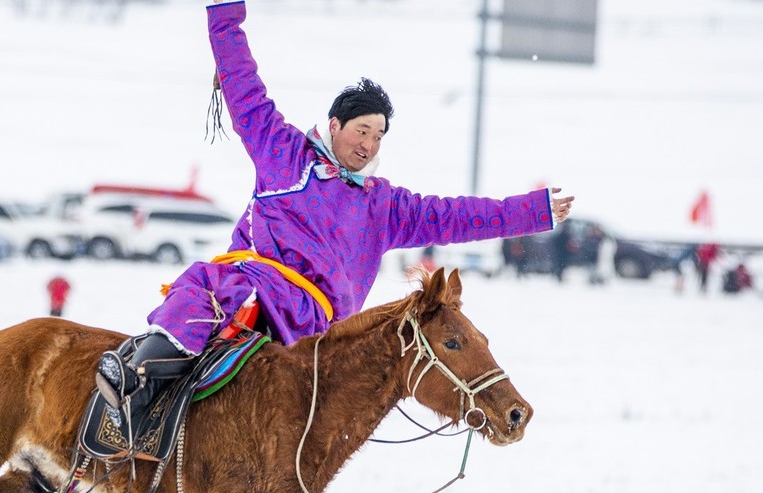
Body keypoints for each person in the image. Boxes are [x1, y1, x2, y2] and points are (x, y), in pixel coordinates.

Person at [96, 0, 573, 424]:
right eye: (362, 130)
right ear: (334, 125)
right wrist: (226, 11)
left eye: (379, 136)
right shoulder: (284, 153)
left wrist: (532, 213)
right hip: (251, 290)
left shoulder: (384, 206)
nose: (368, 145)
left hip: (313, 328)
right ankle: (132, 384)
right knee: (201, 294)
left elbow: (457, 216)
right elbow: (243, 85)